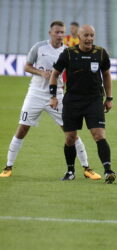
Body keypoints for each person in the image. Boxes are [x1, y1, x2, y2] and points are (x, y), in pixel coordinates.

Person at [0, 21, 98, 180]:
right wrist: (41, 73)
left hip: (58, 96)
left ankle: (87, 168)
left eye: (62, 32)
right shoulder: (39, 48)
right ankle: (8, 167)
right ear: (50, 33)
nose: (60, 35)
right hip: (35, 93)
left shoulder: (67, 51)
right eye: (57, 32)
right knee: (22, 129)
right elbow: (26, 67)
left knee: (70, 132)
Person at [49, 24, 116, 184]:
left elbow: (106, 75)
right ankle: (70, 171)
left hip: (94, 100)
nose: (89, 39)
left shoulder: (100, 53)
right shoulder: (69, 53)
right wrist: (53, 96)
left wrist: (109, 98)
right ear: (79, 37)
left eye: (92, 35)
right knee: (70, 138)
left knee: (99, 134)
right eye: (86, 35)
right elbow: (55, 74)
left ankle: (108, 171)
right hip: (73, 101)